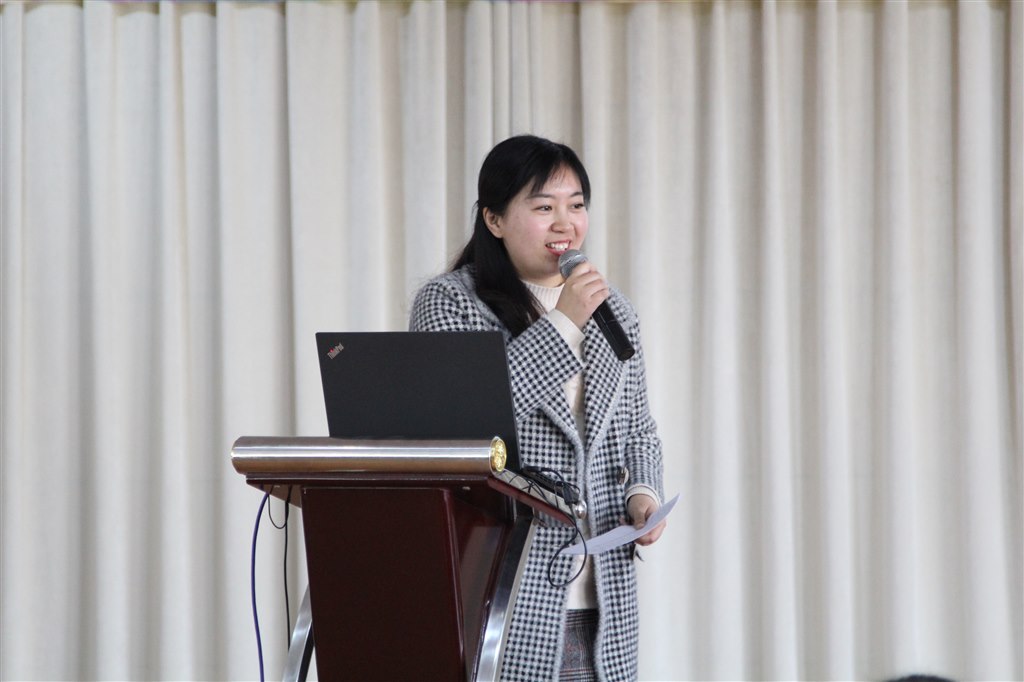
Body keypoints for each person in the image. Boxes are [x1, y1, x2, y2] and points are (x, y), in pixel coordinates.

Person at [409, 134, 666, 681]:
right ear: (494, 219)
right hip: (502, 596)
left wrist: (643, 495)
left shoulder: (613, 309)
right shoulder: (451, 302)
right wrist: (564, 321)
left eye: (576, 205)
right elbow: (467, 419)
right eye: (543, 207)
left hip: (603, 602)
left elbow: (638, 428)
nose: (565, 224)